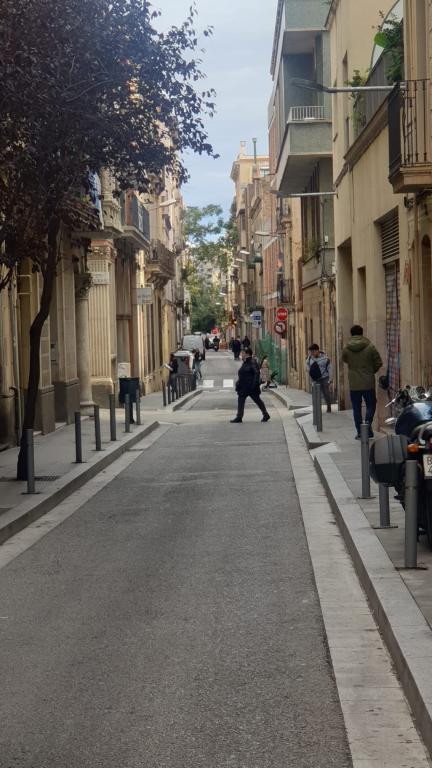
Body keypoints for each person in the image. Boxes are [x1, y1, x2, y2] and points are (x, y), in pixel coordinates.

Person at [342, 324, 383, 439]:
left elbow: (344, 359)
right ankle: (368, 424)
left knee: (356, 408)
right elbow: (379, 362)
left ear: (351, 334)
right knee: (371, 404)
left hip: (354, 383)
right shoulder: (370, 346)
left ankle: (360, 432)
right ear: (362, 333)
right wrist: (371, 371)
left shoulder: (346, 348)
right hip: (368, 382)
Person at [231, 348, 270, 423]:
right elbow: (243, 373)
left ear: (247, 354)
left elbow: (256, 373)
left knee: (258, 401)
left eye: (242, 353)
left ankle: (265, 414)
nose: (241, 355)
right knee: (241, 400)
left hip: (251, 386)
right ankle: (239, 416)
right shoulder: (245, 362)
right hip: (244, 386)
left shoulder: (252, 362)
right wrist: (238, 382)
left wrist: (254, 384)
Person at [306, 344, 333, 413]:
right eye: (310, 352)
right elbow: (307, 366)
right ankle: (317, 409)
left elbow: (330, 369)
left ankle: (328, 406)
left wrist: (330, 380)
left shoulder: (325, 358)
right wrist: (310, 371)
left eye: (313, 352)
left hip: (324, 378)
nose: (311, 353)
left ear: (317, 350)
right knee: (316, 394)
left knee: (326, 393)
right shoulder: (309, 358)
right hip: (315, 379)